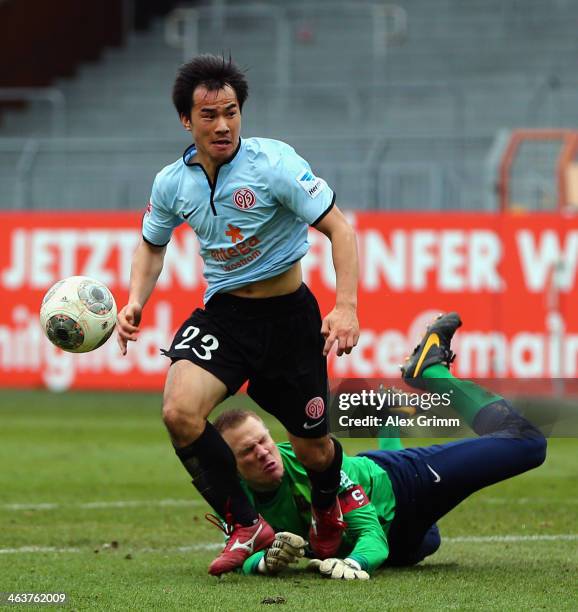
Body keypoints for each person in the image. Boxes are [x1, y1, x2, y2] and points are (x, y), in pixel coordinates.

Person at [115, 54, 360, 576]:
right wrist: (136, 298)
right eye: (209, 115)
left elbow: (340, 228)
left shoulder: (274, 165)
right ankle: (246, 526)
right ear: (187, 120)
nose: (222, 124)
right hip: (226, 316)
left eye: (231, 112)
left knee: (314, 451)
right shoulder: (171, 183)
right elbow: (151, 245)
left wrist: (345, 307)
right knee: (179, 412)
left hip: (291, 320)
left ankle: (324, 503)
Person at [214, 312, 547, 579]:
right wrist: (261, 563)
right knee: (428, 542)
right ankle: (387, 416)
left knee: (528, 443)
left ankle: (430, 372)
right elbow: (244, 550)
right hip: (407, 544)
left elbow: (371, 535)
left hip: (404, 483)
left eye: (263, 442)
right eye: (247, 452)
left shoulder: (317, 463)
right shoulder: (235, 499)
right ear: (232, 468)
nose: (262, 453)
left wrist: (356, 563)